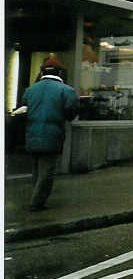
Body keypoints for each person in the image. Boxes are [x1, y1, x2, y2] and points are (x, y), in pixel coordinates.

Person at [17, 58, 79, 211]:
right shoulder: (67, 90)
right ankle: (36, 203)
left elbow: (24, 109)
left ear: (42, 72)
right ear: (60, 73)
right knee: (47, 172)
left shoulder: (31, 90)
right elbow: (71, 114)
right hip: (52, 136)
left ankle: (37, 198)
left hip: (32, 135)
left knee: (37, 171)